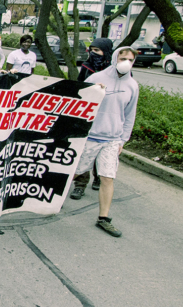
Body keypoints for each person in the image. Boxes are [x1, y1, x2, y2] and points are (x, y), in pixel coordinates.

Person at [70, 46, 139, 237]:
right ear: (114, 57)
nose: (126, 62)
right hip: (90, 137)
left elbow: (129, 115)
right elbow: (79, 104)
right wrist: (93, 92)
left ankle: (103, 218)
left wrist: (122, 141)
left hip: (112, 140)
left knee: (107, 177)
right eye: (122, 57)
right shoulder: (95, 78)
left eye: (130, 60)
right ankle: (46, 200)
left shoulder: (132, 85)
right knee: (73, 173)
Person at [71, 37, 114, 196]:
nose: (93, 53)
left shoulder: (113, 71)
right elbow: (80, 87)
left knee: (100, 148)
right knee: (84, 150)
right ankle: (80, 184)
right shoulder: (86, 67)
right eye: (92, 50)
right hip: (88, 113)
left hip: (106, 115)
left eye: (98, 50)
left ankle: (98, 176)